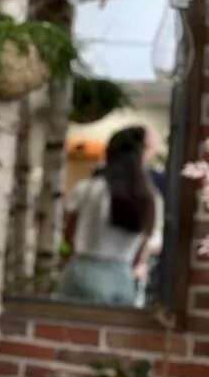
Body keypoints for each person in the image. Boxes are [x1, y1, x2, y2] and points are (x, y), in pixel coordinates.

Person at [56, 125, 162, 307]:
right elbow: (142, 252)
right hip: (122, 278)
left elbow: (68, 235)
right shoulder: (149, 199)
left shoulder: (87, 189)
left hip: (83, 270)